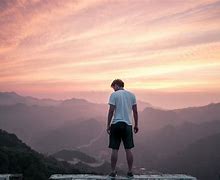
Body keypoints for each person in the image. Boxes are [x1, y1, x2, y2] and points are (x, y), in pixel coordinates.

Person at [107, 79, 139, 178]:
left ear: (116, 85)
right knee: (128, 149)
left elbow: (111, 111)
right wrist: (136, 125)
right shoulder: (132, 95)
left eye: (113, 88)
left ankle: (113, 171)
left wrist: (108, 125)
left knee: (115, 149)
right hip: (127, 124)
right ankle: (130, 171)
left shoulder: (114, 95)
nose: (113, 90)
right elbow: (135, 112)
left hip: (116, 124)